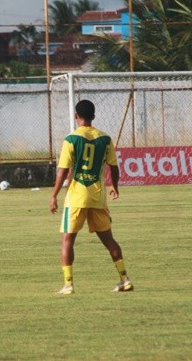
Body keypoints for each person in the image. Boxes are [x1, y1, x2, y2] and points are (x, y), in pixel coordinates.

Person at [49, 99, 133, 295]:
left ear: (76, 116)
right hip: (98, 197)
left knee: (67, 240)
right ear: (94, 116)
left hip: (77, 197)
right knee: (109, 240)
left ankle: (68, 284)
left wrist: (53, 195)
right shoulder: (105, 139)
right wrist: (114, 186)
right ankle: (124, 279)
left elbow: (62, 171)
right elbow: (114, 167)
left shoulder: (71, 139)